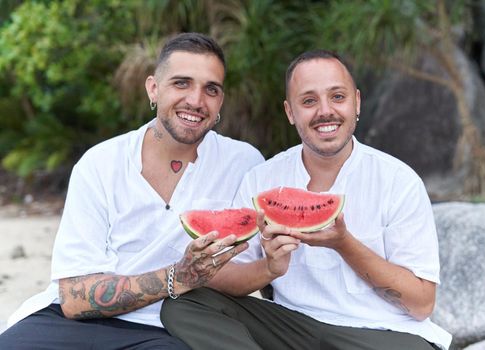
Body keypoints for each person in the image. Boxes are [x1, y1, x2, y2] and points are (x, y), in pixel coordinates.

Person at [161, 50, 452, 350]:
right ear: (290, 112)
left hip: (379, 335)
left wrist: (344, 243)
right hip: (293, 328)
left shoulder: (398, 182)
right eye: (309, 101)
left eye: (338, 97)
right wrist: (270, 268)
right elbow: (229, 275)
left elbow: (421, 304)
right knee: (185, 305)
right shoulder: (263, 179)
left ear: (357, 103)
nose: (325, 111)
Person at [0, 32, 263, 349]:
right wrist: (177, 277)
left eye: (211, 89)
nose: (196, 100)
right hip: (74, 321)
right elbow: (73, 298)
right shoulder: (100, 163)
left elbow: (248, 268)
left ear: (220, 101)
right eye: (181, 83)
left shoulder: (245, 163)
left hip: (172, 327)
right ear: (153, 88)